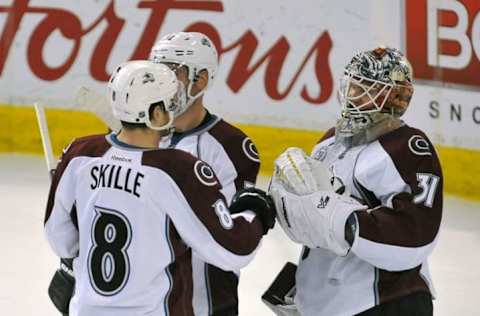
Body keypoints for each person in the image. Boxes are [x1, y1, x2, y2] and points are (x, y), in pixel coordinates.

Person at [44, 60, 275, 316]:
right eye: (169, 104)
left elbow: (60, 239)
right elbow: (231, 251)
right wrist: (254, 212)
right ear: (154, 114)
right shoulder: (177, 170)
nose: (174, 111)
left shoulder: (80, 155)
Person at [267, 47, 443, 316]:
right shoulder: (330, 142)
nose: (351, 96)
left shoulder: (407, 147)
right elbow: (316, 223)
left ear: (394, 97)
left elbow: (415, 235)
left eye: (364, 90)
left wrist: (342, 219)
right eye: (351, 87)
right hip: (330, 306)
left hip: (387, 303)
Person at [149, 32, 261, 316]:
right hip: (145, 302)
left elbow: (232, 238)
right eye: (156, 73)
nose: (161, 85)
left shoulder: (231, 147)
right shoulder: (141, 135)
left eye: (172, 74)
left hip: (205, 305)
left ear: (200, 80)